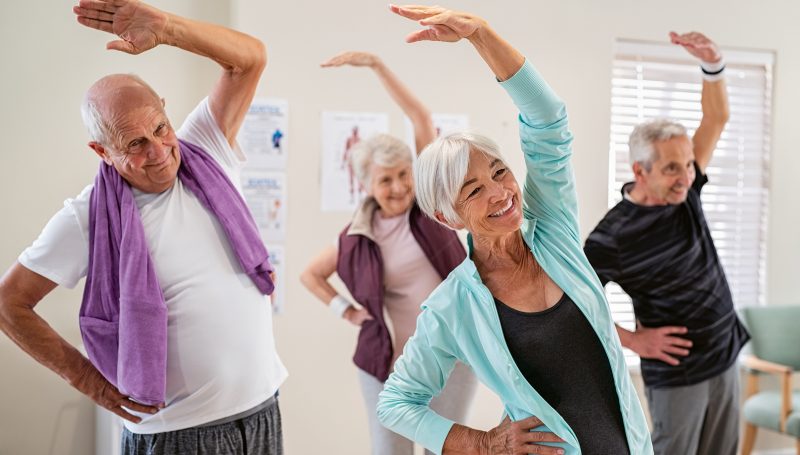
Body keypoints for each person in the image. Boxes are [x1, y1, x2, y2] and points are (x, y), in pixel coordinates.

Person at [0, 1, 287, 454]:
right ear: (102, 151)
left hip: (261, 412)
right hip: (180, 436)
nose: (158, 150)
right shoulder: (87, 216)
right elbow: (9, 303)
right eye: (135, 143)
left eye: (160, 128)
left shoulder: (204, 147)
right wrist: (86, 380)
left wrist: (168, 28)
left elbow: (249, 59)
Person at [377, 6, 652, 455]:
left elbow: (548, 119)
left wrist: (480, 34)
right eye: (473, 190)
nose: (500, 192)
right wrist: (483, 443)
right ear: (449, 217)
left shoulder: (554, 231)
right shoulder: (453, 305)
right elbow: (396, 403)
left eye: (500, 172)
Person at [301, 50, 478, 455]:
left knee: (447, 448)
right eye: (386, 180)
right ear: (366, 185)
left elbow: (420, 119)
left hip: (451, 357)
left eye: (403, 175)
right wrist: (343, 310)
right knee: (389, 451)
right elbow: (310, 274)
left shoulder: (431, 209)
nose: (398, 187)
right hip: (388, 366)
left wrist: (378, 66)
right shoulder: (355, 237)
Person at [583, 31, 748, 455]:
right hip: (678, 375)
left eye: (689, 165)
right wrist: (633, 340)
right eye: (673, 168)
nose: (687, 176)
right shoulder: (611, 236)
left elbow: (716, 120)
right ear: (640, 171)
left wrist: (713, 63)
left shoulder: (685, 191)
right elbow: (575, 304)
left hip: (725, 354)